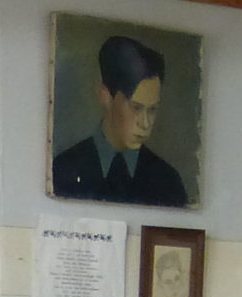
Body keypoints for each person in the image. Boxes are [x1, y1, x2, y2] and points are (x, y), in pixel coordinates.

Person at [52, 34, 189, 207]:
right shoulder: (63, 170)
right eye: (136, 107)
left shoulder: (168, 182)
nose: (145, 123)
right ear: (105, 96)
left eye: (152, 109)